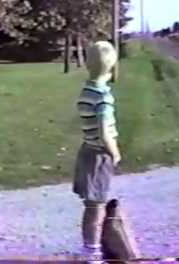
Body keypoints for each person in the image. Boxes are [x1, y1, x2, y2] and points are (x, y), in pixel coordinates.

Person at [73, 41, 122, 264]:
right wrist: (115, 152)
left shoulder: (87, 90)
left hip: (86, 151)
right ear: (112, 67)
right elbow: (104, 133)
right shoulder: (103, 96)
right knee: (96, 207)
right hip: (98, 155)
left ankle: (90, 247)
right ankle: (92, 253)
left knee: (91, 205)